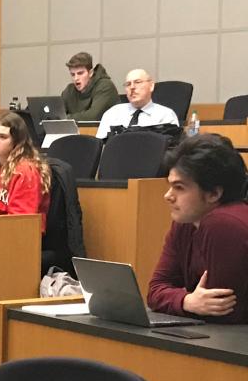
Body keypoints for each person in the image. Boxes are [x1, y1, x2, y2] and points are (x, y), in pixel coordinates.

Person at [147, 134, 248, 324]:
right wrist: (186, 301)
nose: (168, 196)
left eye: (179, 187)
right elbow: (155, 290)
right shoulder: (185, 222)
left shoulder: (225, 223)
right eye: (170, 186)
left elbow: (221, 311)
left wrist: (184, 301)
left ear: (214, 193)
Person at [0, 110, 51, 232]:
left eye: (2, 136)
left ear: (16, 142)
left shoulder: (25, 171)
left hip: (15, 239)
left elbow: (21, 223)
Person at [96, 68, 180, 138]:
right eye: (128, 84)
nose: (132, 87)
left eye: (138, 82)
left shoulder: (165, 115)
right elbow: (102, 146)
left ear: (151, 86)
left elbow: (171, 150)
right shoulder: (113, 113)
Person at [61, 52, 119, 121]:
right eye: (73, 74)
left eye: (80, 73)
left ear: (90, 73)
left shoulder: (105, 86)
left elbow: (93, 116)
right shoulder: (69, 91)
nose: (76, 78)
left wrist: (65, 118)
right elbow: (57, 114)